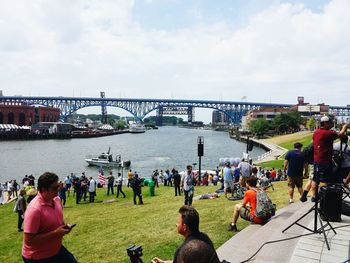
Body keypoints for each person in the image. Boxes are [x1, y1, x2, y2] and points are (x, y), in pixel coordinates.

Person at [22, 172, 78, 262]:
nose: (58, 189)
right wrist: (56, 232)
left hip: (56, 249)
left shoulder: (56, 200)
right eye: (55, 188)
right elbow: (29, 240)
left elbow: (57, 221)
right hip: (38, 256)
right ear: (44, 189)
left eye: (58, 186)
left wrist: (63, 227)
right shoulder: (34, 209)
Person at [151, 205, 220, 263]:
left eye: (178, 222)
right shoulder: (205, 238)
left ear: (184, 227)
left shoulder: (184, 250)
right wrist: (164, 262)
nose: (176, 224)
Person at [312, 116, 347, 192]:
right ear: (325, 123)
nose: (331, 124)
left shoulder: (316, 132)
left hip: (316, 160)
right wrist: (344, 127)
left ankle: (315, 197)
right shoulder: (328, 133)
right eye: (330, 123)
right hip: (325, 160)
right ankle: (324, 198)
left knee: (315, 179)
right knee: (325, 180)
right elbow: (340, 135)